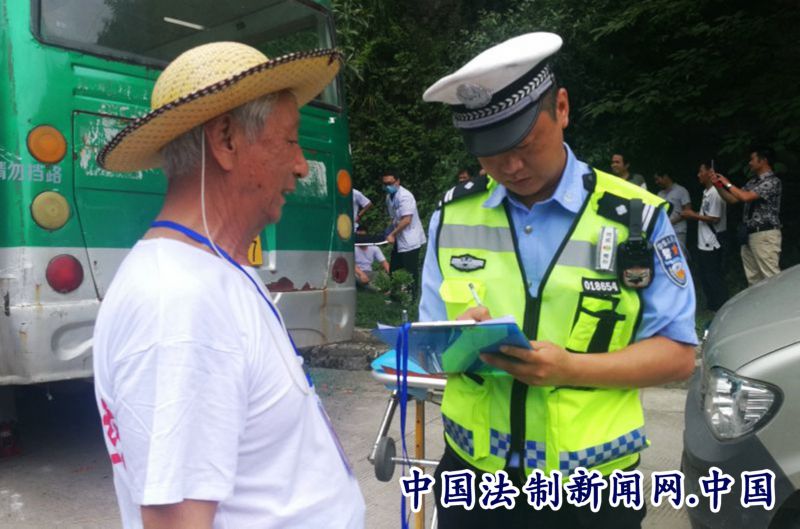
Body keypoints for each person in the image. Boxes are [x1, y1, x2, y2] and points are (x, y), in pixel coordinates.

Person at [421, 32, 696, 528]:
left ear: (562, 108)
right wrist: (458, 341)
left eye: (525, 145)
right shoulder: (452, 215)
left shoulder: (635, 219)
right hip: (474, 479)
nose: (511, 167)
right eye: (491, 153)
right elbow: (428, 347)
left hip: (591, 490)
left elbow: (677, 354)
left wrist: (570, 369)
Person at [92, 42, 364, 529]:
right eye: (290, 141)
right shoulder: (179, 302)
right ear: (226, 140)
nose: (302, 165)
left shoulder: (213, 271)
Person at [712, 147, 782, 285]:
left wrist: (727, 182)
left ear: (763, 160)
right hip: (748, 234)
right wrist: (718, 185)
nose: (750, 163)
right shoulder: (752, 182)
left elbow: (746, 197)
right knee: (754, 281)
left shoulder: (773, 181)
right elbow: (733, 199)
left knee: (772, 278)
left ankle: (783, 300)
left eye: (752, 159)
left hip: (765, 234)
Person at [682, 161, 728, 311]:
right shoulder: (706, 192)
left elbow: (715, 218)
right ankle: (713, 306)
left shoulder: (715, 192)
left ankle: (721, 306)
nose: (698, 175)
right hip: (704, 242)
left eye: (701, 171)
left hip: (712, 242)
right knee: (705, 275)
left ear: (710, 172)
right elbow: (707, 215)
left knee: (714, 276)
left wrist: (692, 215)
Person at [382, 170, 426, 295]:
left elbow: (406, 220)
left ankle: (413, 297)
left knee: (411, 270)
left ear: (398, 181)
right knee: (394, 267)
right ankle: (394, 294)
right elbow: (394, 218)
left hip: (410, 238)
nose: (388, 186)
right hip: (399, 237)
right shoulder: (389, 197)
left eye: (390, 183)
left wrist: (392, 234)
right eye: (385, 184)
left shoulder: (405, 196)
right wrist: (389, 231)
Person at [654, 172, 692, 257]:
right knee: (666, 256)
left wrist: (671, 221)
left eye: (657, 179)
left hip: (678, 231)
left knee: (679, 256)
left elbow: (688, 211)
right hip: (663, 232)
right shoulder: (660, 194)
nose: (656, 182)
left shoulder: (681, 190)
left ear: (665, 176)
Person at [354, 224, 389, 288]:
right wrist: (361, 274)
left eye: (363, 236)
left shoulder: (374, 248)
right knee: (355, 278)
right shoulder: (353, 248)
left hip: (369, 272)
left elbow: (384, 262)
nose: (361, 238)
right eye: (359, 236)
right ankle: (372, 287)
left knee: (384, 276)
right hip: (356, 273)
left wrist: (391, 274)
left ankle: (374, 286)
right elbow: (351, 264)